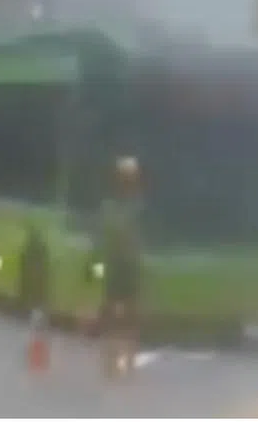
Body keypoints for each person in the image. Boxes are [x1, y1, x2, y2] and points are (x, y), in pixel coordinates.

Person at [98, 155, 144, 375]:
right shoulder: (114, 206)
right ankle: (115, 361)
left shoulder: (133, 207)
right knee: (119, 316)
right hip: (119, 265)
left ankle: (123, 362)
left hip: (125, 265)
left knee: (125, 317)